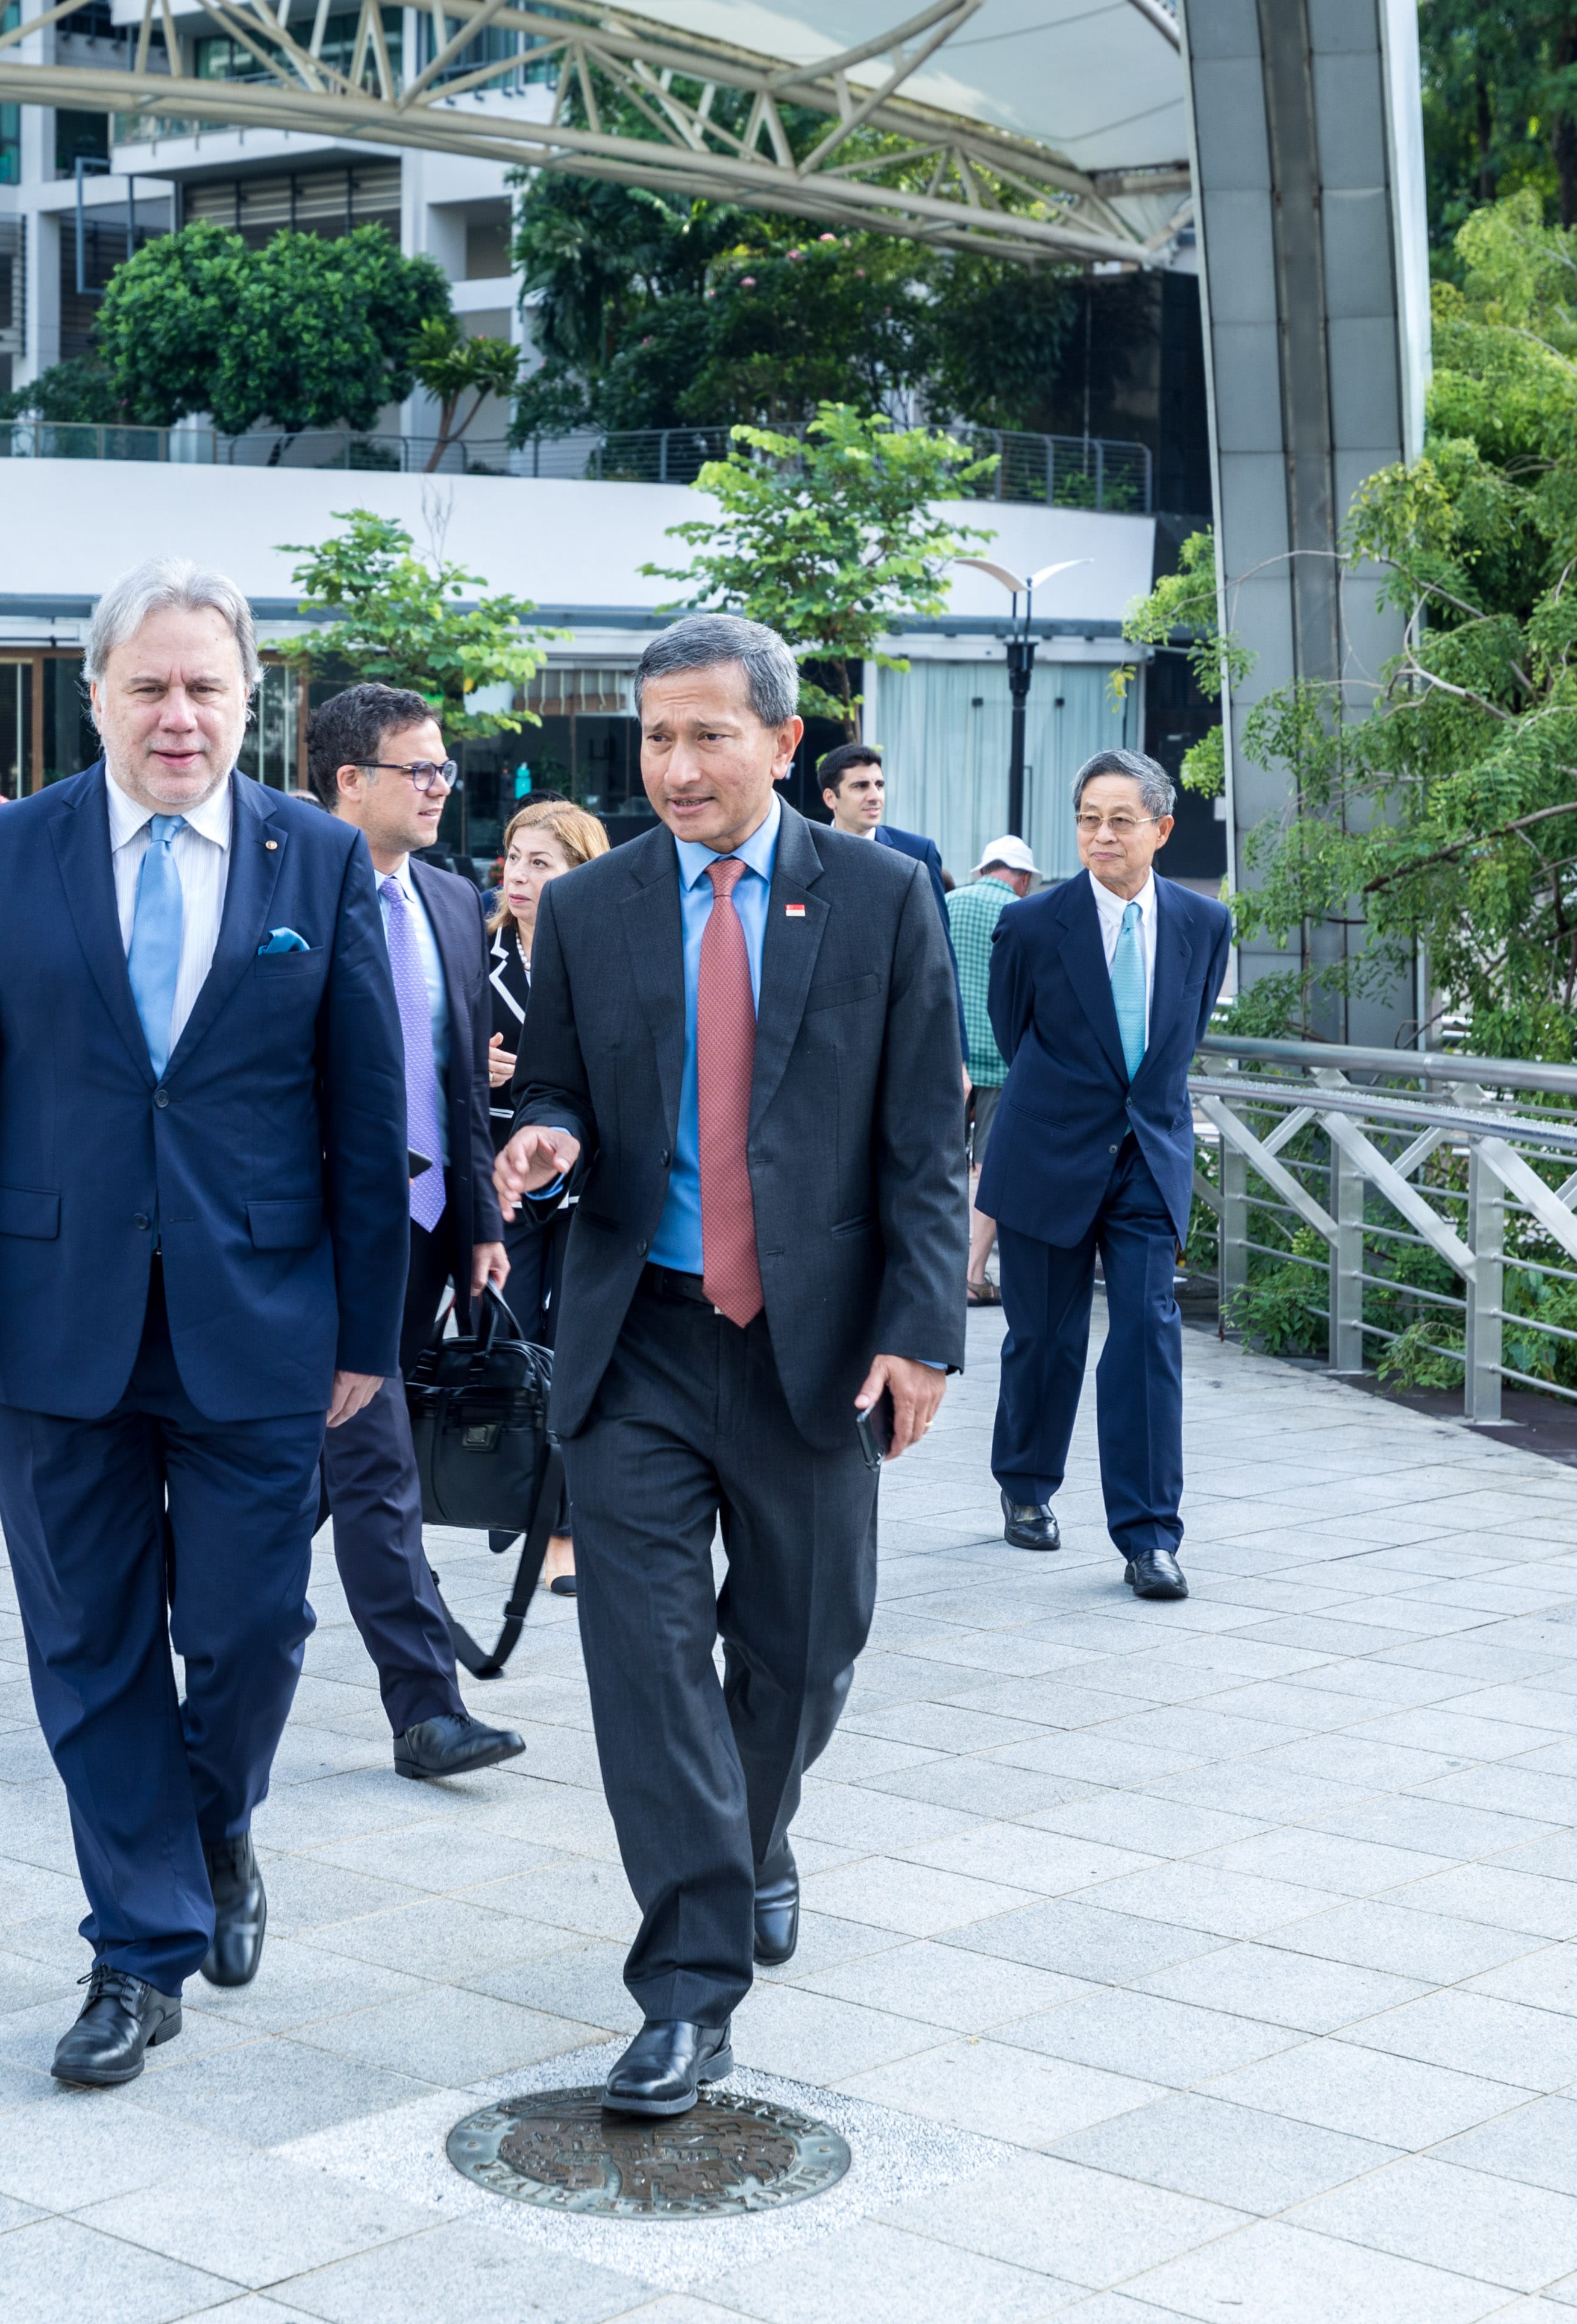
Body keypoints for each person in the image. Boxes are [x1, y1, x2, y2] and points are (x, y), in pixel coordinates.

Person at [0, 559, 410, 2090]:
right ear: (97, 694)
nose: (180, 716)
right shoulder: (4, 852)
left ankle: (213, 1821)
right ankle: (135, 1949)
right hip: (56, 1320)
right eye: (151, 687)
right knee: (92, 1645)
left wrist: (366, 1338)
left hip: (263, 1318)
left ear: (253, 700)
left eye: (208, 688)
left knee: (253, 1630)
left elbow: (368, 1122)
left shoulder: (316, 860)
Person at [493, 614, 967, 2117]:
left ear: (781, 743)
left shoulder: (886, 903)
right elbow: (557, 1084)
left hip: (810, 1351)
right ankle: (690, 1989)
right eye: (654, 736)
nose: (677, 766)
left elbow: (923, 1141)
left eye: (707, 735)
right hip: (638, 1334)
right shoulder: (594, 910)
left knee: (807, 1645)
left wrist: (921, 1333)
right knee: (643, 1664)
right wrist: (546, 1135)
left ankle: (756, 1836)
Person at [306, 685, 532, 1782]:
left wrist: (480, 1221)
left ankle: (181, 1626)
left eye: (445, 769)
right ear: (353, 780)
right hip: (317, 1236)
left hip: (429, 1230)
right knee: (375, 1458)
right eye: (422, 770)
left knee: (317, 1473)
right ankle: (426, 1708)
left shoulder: (451, 899)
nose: (445, 787)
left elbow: (459, 1083)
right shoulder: (291, 889)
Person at [976, 753, 1231, 1597]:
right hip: (1047, 1148)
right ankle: (1025, 1483)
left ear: (1161, 829)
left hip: (1148, 1157)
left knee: (1149, 1335)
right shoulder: (1031, 923)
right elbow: (1015, 1036)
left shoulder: (1203, 923)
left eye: (1120, 820)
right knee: (1045, 1336)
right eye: (1088, 818)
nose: (1101, 835)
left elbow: (1181, 1036)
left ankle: (1150, 1537)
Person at [484, 799, 609, 1594]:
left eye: (543, 863)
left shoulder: (607, 952)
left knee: (577, 1344)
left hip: (586, 1177)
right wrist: (469, 1063)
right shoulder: (476, 951)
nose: (522, 877)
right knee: (511, 1337)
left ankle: (563, 1528)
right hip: (500, 1178)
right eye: (515, 859)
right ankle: (514, 1497)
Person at [950, 835, 1036, 1305]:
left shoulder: (946, 902)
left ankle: (931, 1270)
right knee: (990, 1167)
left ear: (985, 869)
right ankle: (973, 1275)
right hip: (1005, 1061)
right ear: (1021, 878)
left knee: (935, 1164)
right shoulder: (1024, 914)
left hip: (947, 1056)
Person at [817, 741, 947, 927]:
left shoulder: (918, 853)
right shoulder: (809, 853)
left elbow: (938, 940)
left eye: (879, 785)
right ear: (830, 798)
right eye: (861, 786)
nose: (875, 796)